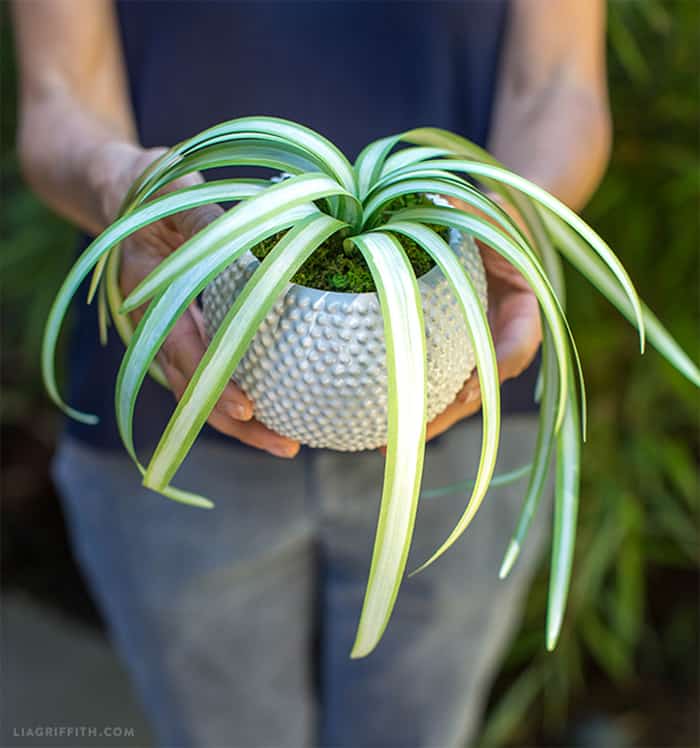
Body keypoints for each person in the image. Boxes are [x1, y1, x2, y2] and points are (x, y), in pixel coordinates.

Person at [12, 1, 611, 746]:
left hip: (463, 379)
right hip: (179, 390)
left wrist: (510, 223)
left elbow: (558, 83)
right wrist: (119, 186)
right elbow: (59, 96)